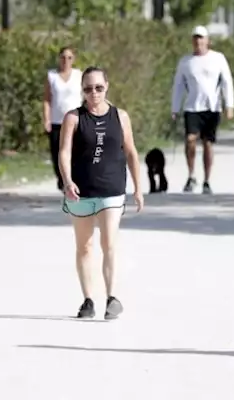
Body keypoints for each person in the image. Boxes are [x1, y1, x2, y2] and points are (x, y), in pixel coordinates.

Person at [58, 66, 144, 320]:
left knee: (108, 243)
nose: (93, 92)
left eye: (98, 87)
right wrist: (67, 180)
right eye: (87, 88)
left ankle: (111, 297)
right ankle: (87, 300)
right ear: (82, 90)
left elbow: (130, 151)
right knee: (84, 246)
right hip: (81, 191)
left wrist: (138, 188)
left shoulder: (120, 116)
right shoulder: (73, 118)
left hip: (112, 189)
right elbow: (64, 152)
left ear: (107, 86)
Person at [170, 25, 234, 194]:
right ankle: (191, 175)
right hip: (192, 107)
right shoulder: (185, 62)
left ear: (207, 41)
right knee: (190, 139)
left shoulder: (218, 58)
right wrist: (175, 108)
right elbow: (178, 86)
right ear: (193, 41)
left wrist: (229, 105)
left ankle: (206, 180)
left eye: (201, 38)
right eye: (196, 38)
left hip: (212, 108)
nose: (198, 41)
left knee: (208, 143)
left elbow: (226, 81)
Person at [43, 46, 82, 191]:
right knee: (57, 152)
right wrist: (46, 119)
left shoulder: (79, 75)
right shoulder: (51, 76)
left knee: (76, 152)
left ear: (73, 59)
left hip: (76, 121)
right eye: (63, 57)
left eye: (69, 57)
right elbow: (47, 99)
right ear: (59, 59)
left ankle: (75, 180)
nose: (66, 60)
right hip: (57, 121)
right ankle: (62, 180)